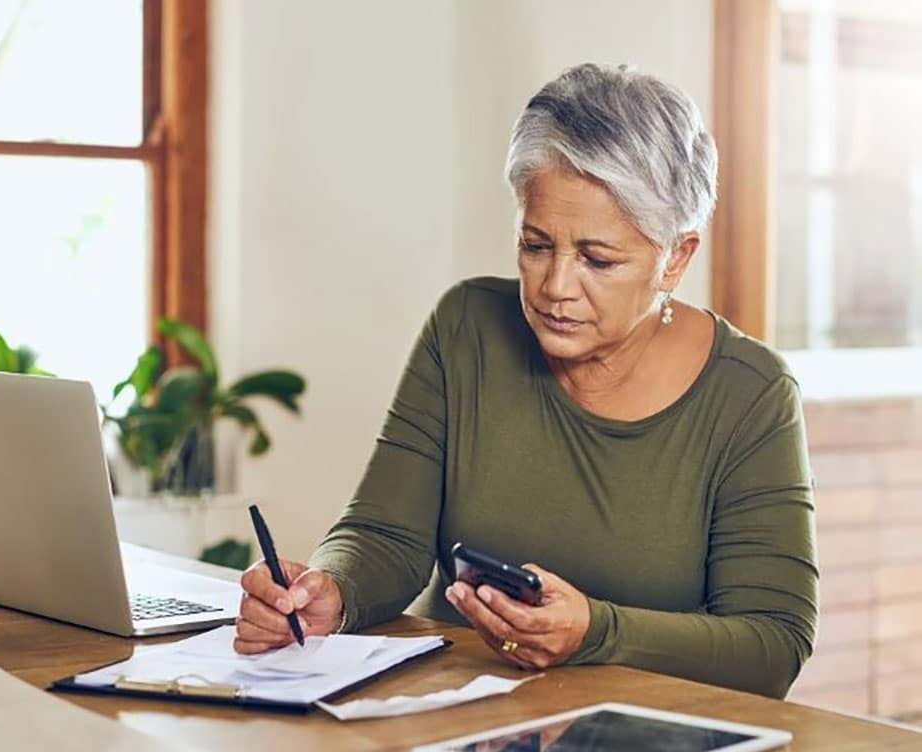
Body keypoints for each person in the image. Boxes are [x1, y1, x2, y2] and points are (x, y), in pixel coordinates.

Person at [233, 63, 818, 699]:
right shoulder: (467, 327)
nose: (556, 288)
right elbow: (385, 535)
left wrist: (596, 631)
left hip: (645, 750)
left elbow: (772, 644)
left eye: (597, 259)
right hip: (445, 717)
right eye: (536, 246)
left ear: (675, 256)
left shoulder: (751, 393)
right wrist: (332, 592)